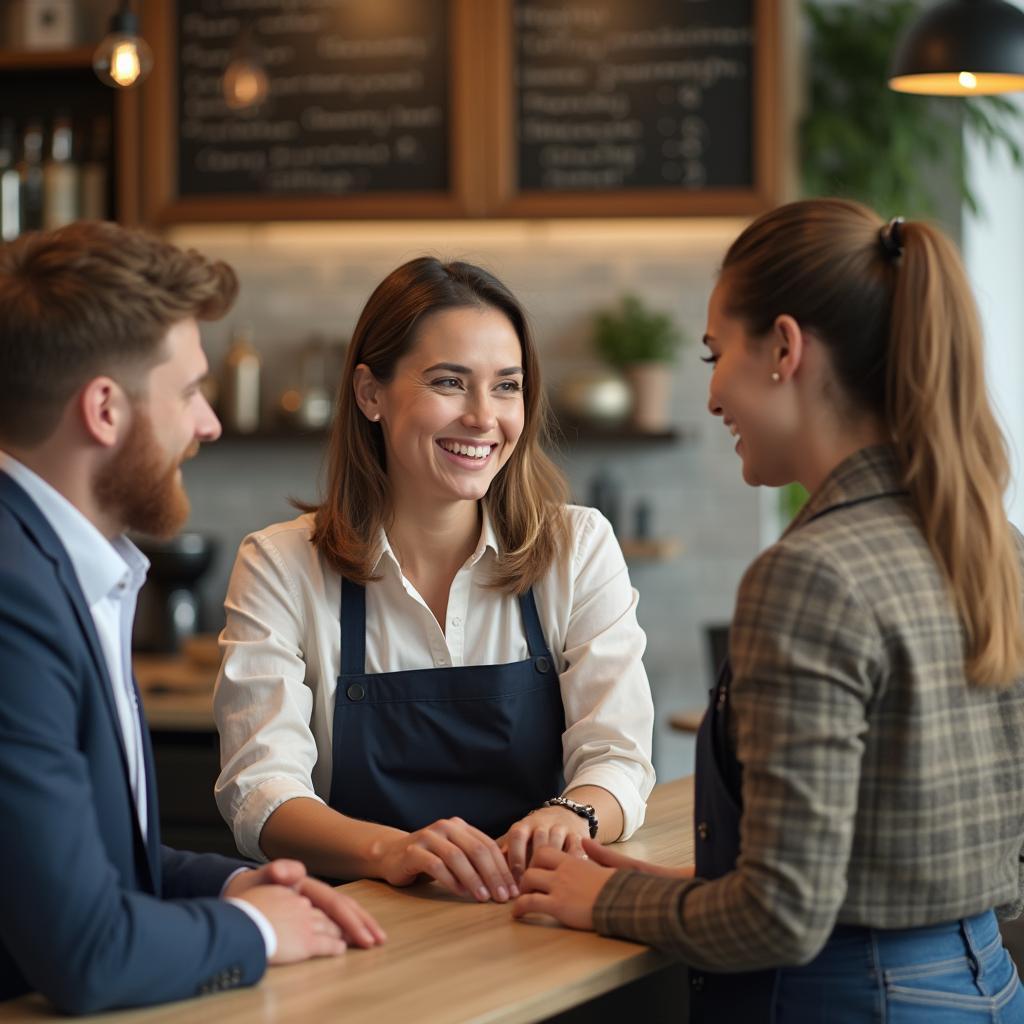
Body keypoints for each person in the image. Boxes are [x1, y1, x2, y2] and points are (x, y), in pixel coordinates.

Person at [512, 198, 1024, 1022]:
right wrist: (679, 886)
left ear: (784, 348)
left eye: (716, 353)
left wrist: (597, 904)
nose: (711, 393)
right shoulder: (996, 544)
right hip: (985, 988)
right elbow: (931, 843)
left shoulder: (810, 575)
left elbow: (781, 919)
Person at [0, 222, 384, 1015]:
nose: (207, 424)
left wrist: (242, 883)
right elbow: (88, 954)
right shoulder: (14, 596)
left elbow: (90, 865)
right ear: (104, 410)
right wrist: (255, 930)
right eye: (188, 392)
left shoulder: (52, 566)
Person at [213, 256, 655, 903]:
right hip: (362, 928)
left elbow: (617, 755)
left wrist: (569, 816)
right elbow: (260, 792)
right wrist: (390, 849)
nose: (483, 417)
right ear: (370, 394)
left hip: (535, 915)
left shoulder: (578, 548)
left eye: (507, 386)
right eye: (451, 382)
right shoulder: (280, 564)